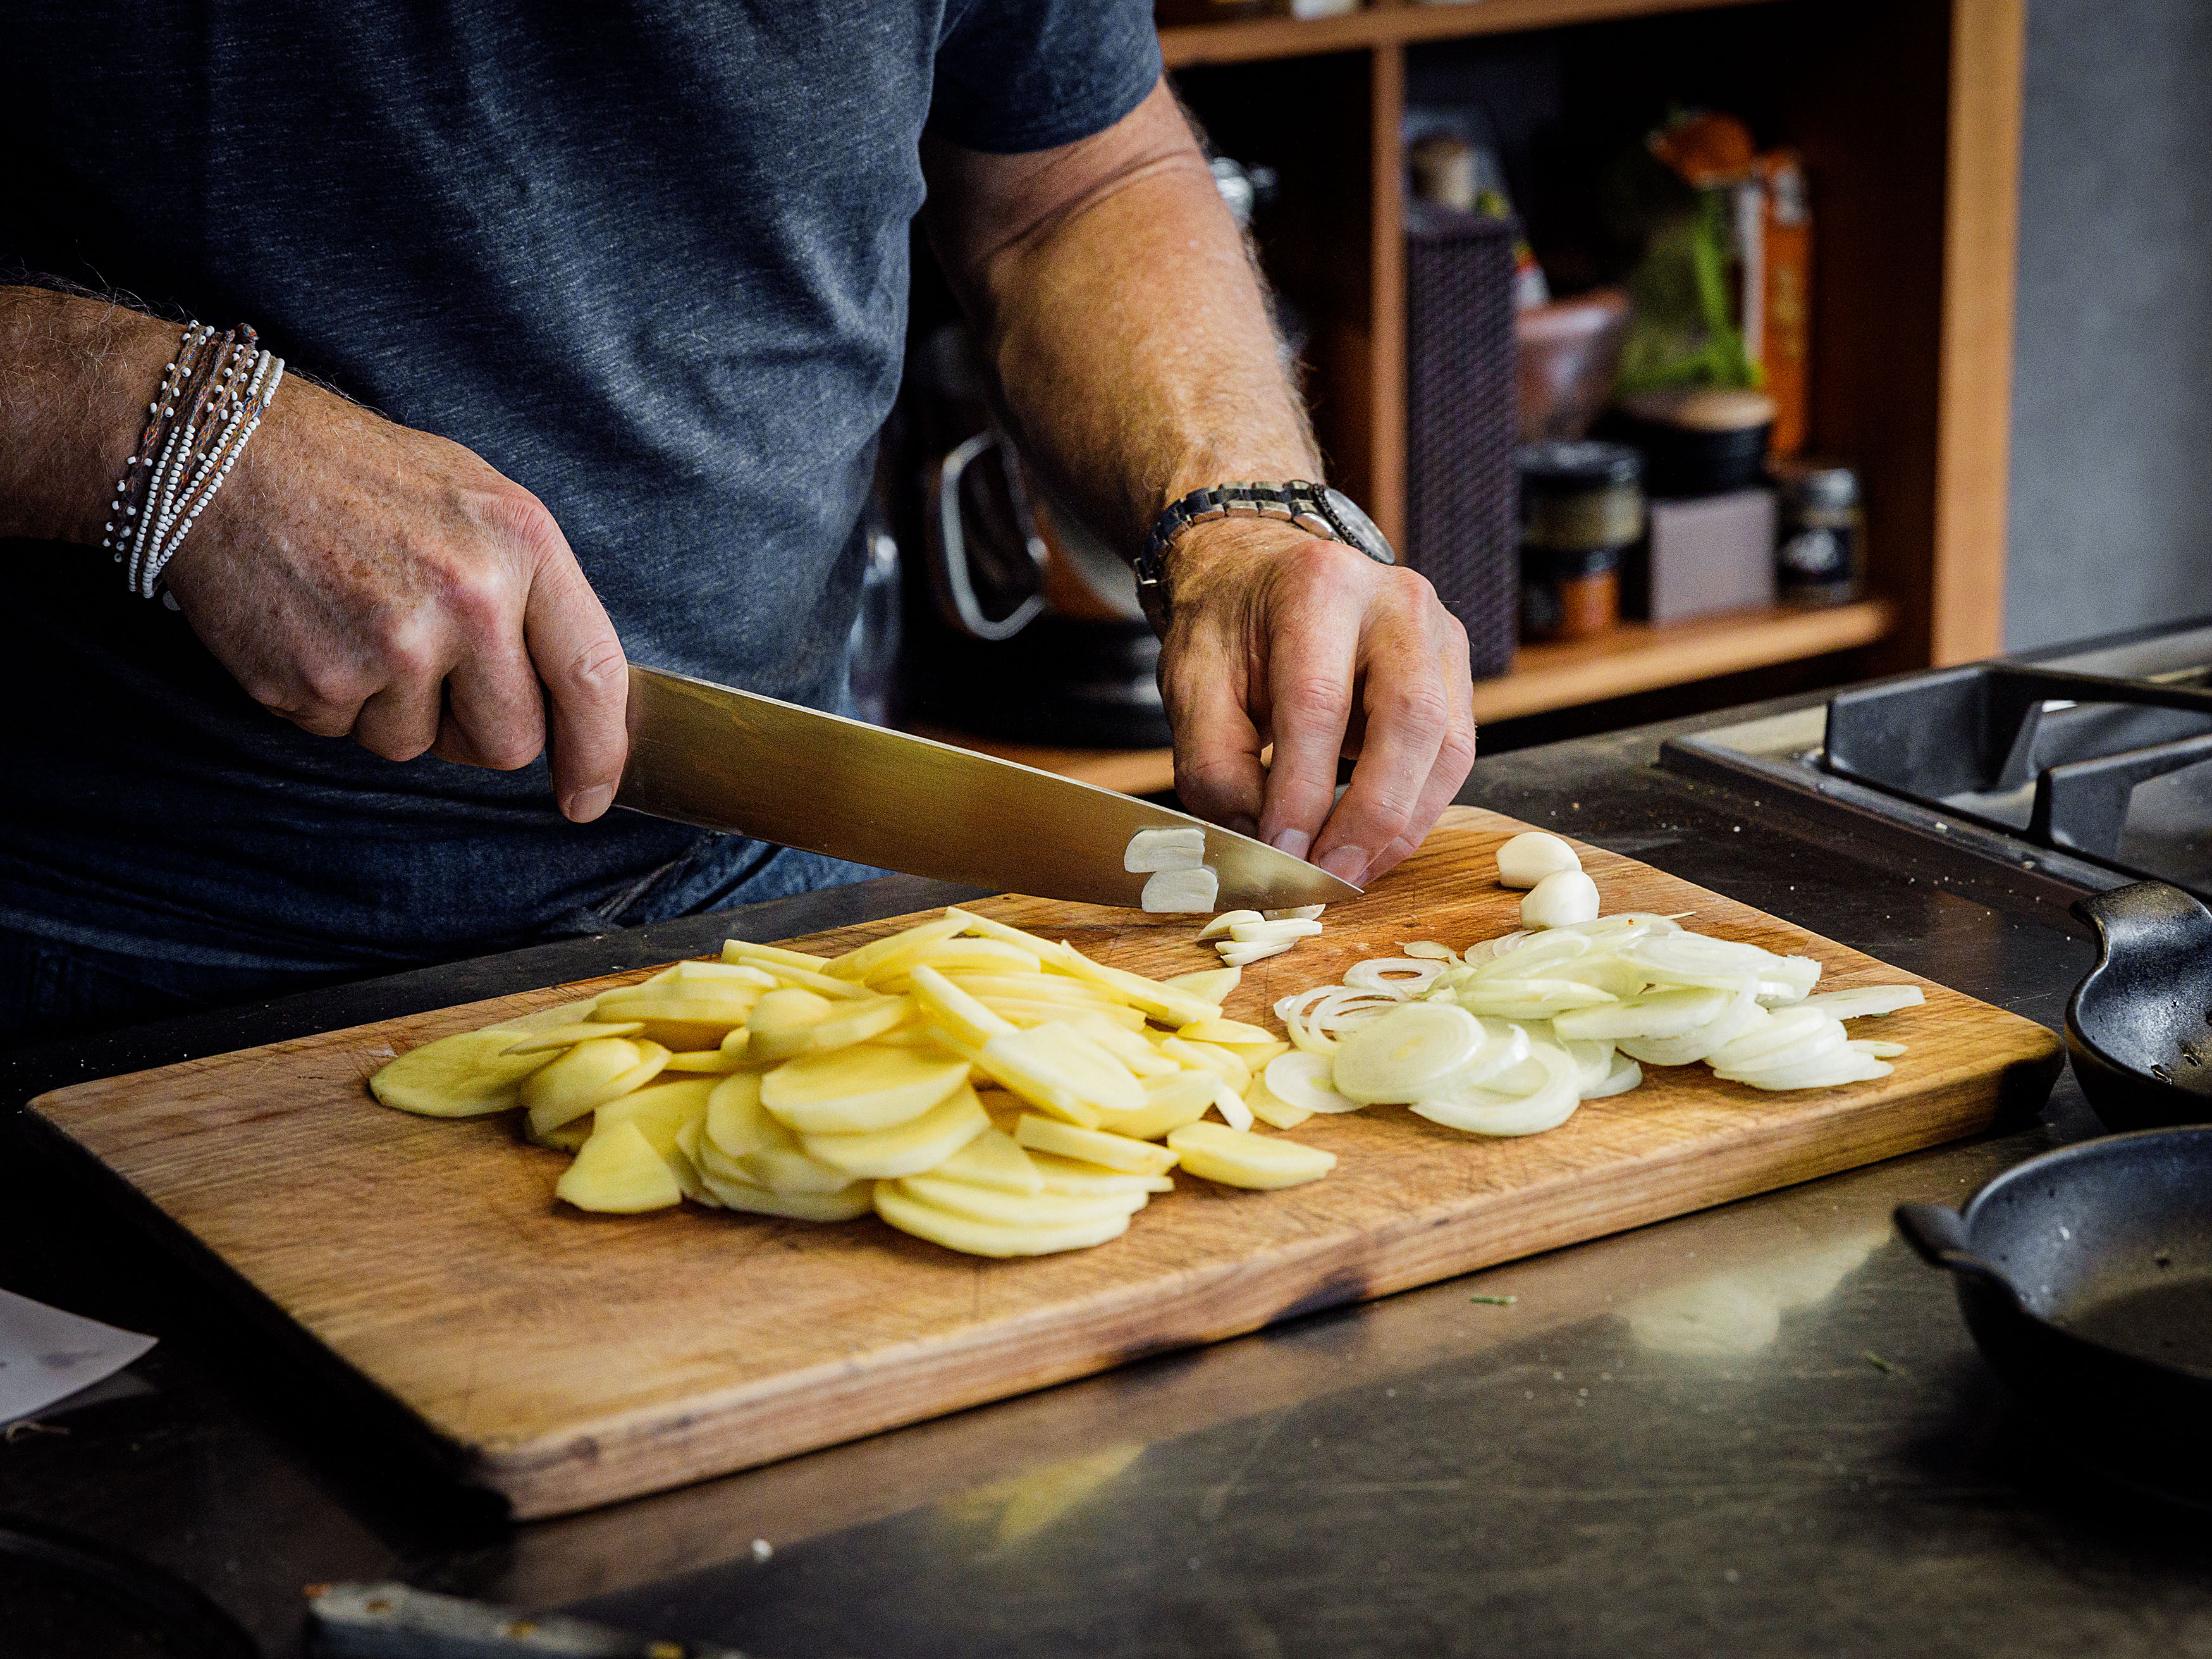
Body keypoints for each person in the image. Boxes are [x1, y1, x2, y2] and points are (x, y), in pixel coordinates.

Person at [0, 3, 1475, 1047]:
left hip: (770, 893)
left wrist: (1242, 512)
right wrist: (148, 419)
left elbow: (1071, 175)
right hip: (120, 964)